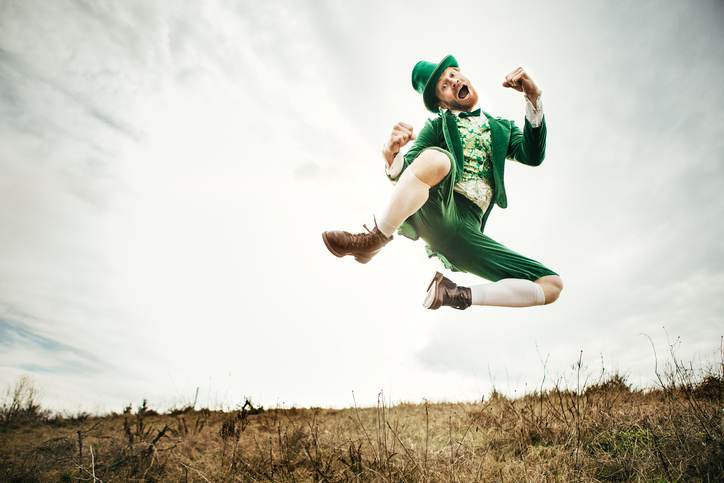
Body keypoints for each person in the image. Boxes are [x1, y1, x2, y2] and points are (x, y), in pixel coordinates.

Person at [322, 54, 563, 310]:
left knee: (551, 284)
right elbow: (407, 173)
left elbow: (533, 155)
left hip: (466, 230)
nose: (453, 81)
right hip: (438, 207)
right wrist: (391, 154)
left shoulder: (502, 128)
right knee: (437, 160)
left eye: (452, 74)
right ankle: (374, 239)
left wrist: (533, 98)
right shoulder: (437, 127)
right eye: (444, 86)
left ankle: (454, 294)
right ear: (442, 104)